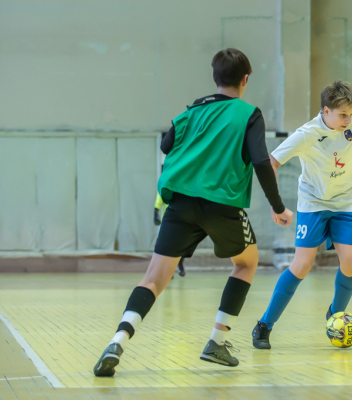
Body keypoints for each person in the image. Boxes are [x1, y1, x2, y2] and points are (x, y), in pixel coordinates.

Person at [93, 48, 293, 376]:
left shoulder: (192, 110)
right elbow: (260, 160)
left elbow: (166, 144)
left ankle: (118, 340)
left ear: (214, 77)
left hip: (181, 204)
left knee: (153, 279)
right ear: (245, 80)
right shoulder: (249, 114)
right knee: (246, 263)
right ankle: (217, 341)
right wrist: (278, 206)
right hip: (221, 204)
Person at [252, 81, 352, 349]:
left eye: (351, 115)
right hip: (313, 204)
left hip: (344, 203)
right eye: (343, 115)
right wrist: (275, 204)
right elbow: (271, 163)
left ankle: (335, 316)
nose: (348, 120)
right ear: (326, 111)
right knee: (302, 264)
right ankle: (264, 325)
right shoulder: (306, 134)